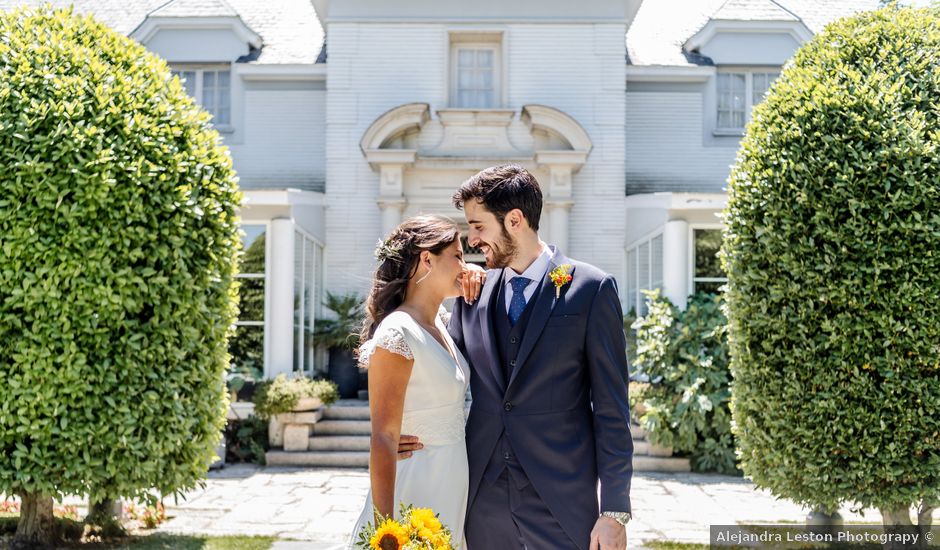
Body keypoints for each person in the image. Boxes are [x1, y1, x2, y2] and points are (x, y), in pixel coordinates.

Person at [401, 164, 634, 550]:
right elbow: (440, 375)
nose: (471, 240)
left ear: (514, 220)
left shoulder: (592, 290)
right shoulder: (470, 294)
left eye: (478, 226)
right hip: (480, 499)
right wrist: (396, 429)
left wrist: (614, 511)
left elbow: (612, 409)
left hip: (561, 500)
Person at [347, 215, 472, 549]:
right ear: (426, 259)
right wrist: (387, 533)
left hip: (450, 487)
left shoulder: (442, 324)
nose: (465, 264)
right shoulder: (398, 331)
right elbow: (384, 437)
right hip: (416, 486)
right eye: (458, 256)